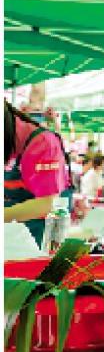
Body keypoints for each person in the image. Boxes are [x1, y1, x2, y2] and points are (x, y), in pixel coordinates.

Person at [4, 99, 71, 246]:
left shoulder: (43, 142)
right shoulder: (10, 139)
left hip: (39, 236)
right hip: (11, 233)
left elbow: (47, 204)